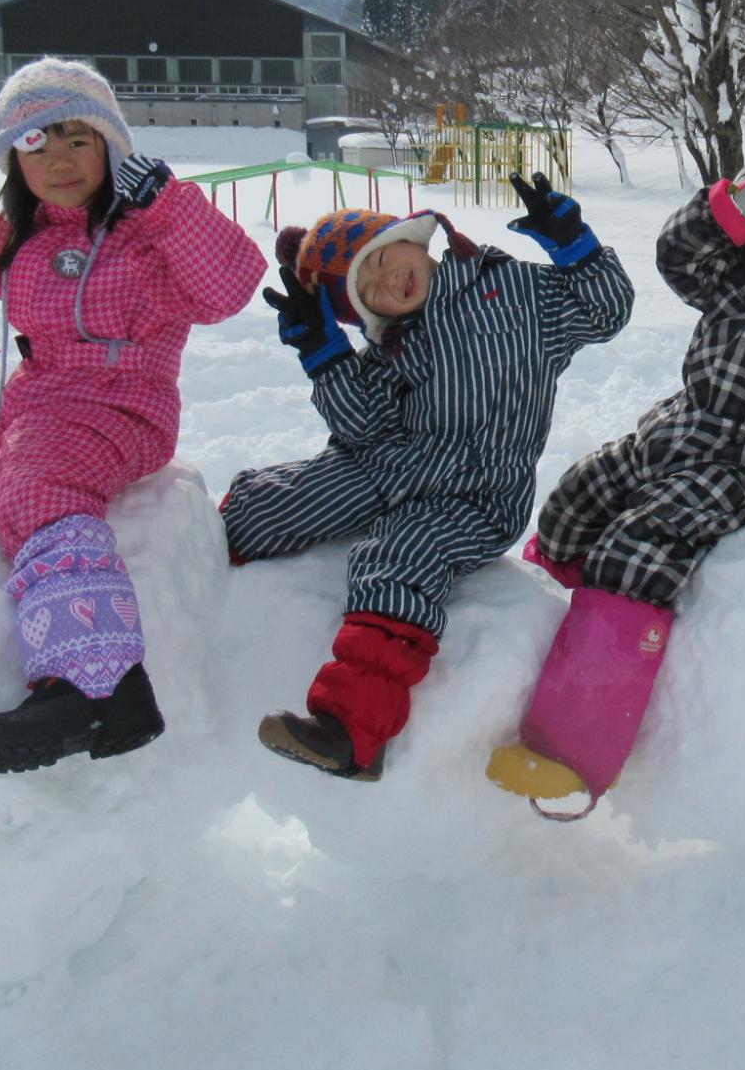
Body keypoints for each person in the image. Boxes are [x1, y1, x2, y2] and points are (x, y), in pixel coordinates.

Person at [0, 59, 266, 772]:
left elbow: (230, 285)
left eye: (78, 138)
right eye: (36, 143)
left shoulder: (148, 235)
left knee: (37, 481)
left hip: (122, 408)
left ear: (112, 146)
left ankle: (96, 683)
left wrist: (171, 206)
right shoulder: (22, 239)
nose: (59, 159)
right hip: (31, 403)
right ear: (15, 160)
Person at [486, 139, 745, 818]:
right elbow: (675, 255)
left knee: (638, 546)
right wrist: (730, 212)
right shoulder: (739, 268)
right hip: (678, 423)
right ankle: (589, 631)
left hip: (743, 454)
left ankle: (575, 748)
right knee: (572, 502)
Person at [220, 173, 634, 781]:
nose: (390, 278)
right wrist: (324, 353)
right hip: (398, 463)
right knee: (282, 503)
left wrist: (574, 245)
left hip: (477, 495)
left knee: (400, 551)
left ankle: (352, 733)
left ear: (413, 237)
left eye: (383, 257)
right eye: (369, 290)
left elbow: (604, 311)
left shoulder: (512, 290)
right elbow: (361, 428)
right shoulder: (392, 347)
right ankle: (192, 552)